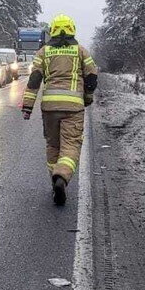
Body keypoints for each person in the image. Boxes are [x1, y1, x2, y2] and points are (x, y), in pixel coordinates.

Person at [21, 15, 99, 206]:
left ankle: (54, 181)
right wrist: (87, 98)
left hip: (49, 108)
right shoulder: (81, 51)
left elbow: (34, 81)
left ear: (52, 31)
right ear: (72, 30)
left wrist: (27, 107)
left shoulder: (43, 53)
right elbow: (91, 78)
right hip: (73, 108)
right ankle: (61, 177)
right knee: (71, 145)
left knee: (53, 146)